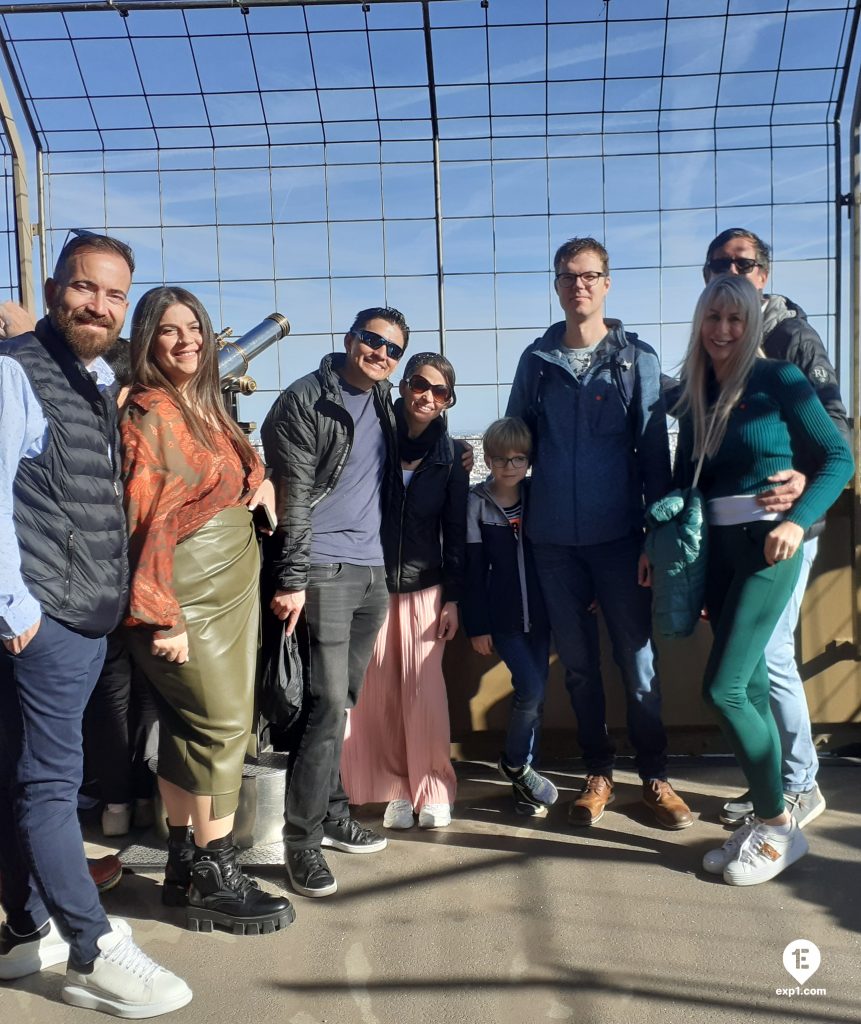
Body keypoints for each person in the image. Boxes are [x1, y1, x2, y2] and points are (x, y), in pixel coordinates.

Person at [0, 234, 191, 1016]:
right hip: (45, 616)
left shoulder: (94, 377)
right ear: (53, 289)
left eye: (115, 296)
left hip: (78, 612)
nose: (99, 306)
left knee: (19, 779)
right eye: (84, 288)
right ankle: (95, 946)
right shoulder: (17, 371)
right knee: (50, 787)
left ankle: (23, 932)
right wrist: (16, 609)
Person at [121, 286, 293, 935]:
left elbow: (233, 470)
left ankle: (182, 860)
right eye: (169, 330)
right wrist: (162, 614)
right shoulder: (150, 410)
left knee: (189, 728)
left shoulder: (201, 405)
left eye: (193, 326)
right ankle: (216, 874)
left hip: (227, 593)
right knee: (221, 727)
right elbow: (144, 516)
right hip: (185, 594)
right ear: (147, 341)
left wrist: (261, 482)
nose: (187, 339)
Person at [670, 275, 852, 885]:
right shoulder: (699, 388)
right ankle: (769, 817)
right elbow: (686, 482)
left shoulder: (780, 379)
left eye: (735, 319)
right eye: (713, 318)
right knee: (744, 691)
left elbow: (839, 458)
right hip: (716, 552)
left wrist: (799, 523)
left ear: (751, 323)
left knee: (722, 690)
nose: (723, 331)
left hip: (768, 547)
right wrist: (670, 554)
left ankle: (777, 825)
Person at [506, 236, 692, 831]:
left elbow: (652, 457)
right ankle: (599, 772)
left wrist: (652, 537)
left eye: (589, 276)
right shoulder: (535, 362)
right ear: (556, 286)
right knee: (580, 668)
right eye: (567, 276)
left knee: (637, 664)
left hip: (620, 540)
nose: (578, 285)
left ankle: (655, 777)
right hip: (554, 540)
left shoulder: (636, 358)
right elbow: (516, 444)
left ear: (607, 283)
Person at [261, 307, 407, 897]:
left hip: (372, 572)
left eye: (392, 348)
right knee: (323, 709)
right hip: (321, 568)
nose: (380, 353)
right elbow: (294, 498)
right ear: (349, 340)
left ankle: (336, 809)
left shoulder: (384, 403)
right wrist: (292, 579)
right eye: (371, 340)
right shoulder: (305, 400)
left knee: (339, 704)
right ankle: (302, 843)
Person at [340, 353, 468, 830]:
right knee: (378, 691)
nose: (427, 397)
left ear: (448, 401)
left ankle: (432, 786)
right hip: (370, 582)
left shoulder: (451, 456)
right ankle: (395, 787)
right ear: (402, 385)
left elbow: (454, 531)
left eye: (440, 392)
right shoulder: (373, 438)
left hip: (423, 587)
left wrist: (454, 596)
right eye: (419, 384)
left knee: (424, 691)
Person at [462, 417, 557, 816]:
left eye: (519, 459)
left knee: (533, 697)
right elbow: (470, 568)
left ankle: (524, 781)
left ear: (529, 460)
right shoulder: (476, 503)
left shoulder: (539, 495)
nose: (510, 467)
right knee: (531, 690)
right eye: (500, 459)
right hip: (503, 618)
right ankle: (515, 763)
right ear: (487, 459)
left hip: (543, 614)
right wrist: (477, 625)